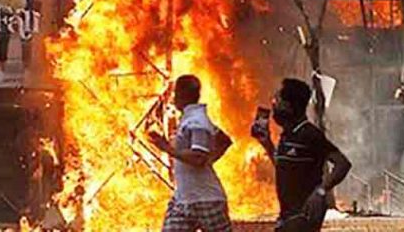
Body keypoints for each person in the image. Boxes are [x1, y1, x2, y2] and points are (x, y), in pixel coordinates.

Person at [252, 78, 352, 232]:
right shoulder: (287, 135)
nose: (274, 106)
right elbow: (283, 167)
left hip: (303, 216)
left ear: (289, 107)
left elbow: (342, 163)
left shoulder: (310, 134)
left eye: (278, 101)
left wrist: (321, 191)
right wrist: (267, 144)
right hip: (287, 216)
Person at [149, 74, 233, 232]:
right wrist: (210, 159)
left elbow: (198, 157)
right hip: (183, 199)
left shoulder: (197, 122)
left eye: (175, 93)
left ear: (181, 95)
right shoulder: (193, 119)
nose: (173, 97)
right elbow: (224, 141)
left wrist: (167, 148)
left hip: (206, 200)